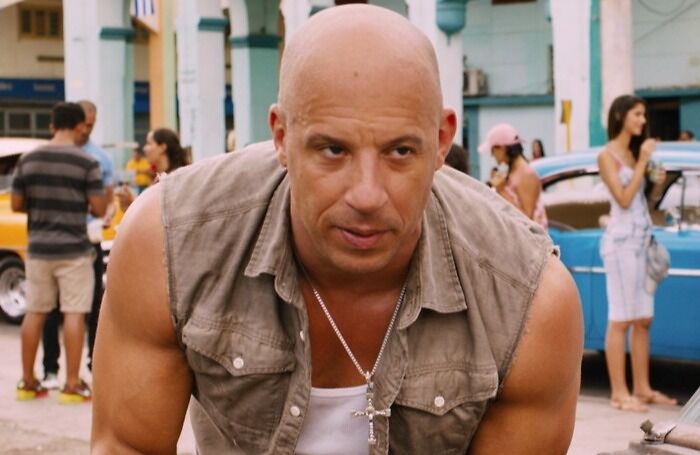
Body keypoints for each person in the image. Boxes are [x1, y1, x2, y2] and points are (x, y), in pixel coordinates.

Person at [92, 5, 582, 453]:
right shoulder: (172, 240)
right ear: (281, 137)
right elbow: (127, 446)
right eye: (333, 150)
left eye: (400, 151)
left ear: (440, 141)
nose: (366, 195)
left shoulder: (525, 298)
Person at [11, 102, 106, 403]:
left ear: (52, 125)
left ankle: (28, 382)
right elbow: (99, 209)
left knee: (35, 312)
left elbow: (16, 204)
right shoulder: (87, 162)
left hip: (38, 249)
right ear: (79, 126)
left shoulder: (28, 159)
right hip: (74, 250)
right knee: (74, 313)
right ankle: (71, 385)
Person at [598, 94, 676, 412]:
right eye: (638, 114)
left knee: (643, 318)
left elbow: (646, 200)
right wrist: (643, 161)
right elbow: (623, 199)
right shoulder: (607, 156)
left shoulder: (634, 153)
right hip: (620, 244)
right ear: (621, 116)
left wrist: (656, 181)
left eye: (644, 115)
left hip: (643, 240)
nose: (643, 121)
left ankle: (642, 388)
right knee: (621, 318)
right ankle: (619, 393)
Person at [40, 100, 115, 389]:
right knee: (52, 309)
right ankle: (51, 370)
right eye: (83, 124)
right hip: (61, 239)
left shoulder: (100, 158)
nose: (86, 130)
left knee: (92, 306)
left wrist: (103, 219)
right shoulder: (57, 157)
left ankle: (93, 366)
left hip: (87, 240)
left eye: (91, 125)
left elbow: (106, 203)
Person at [480, 123, 548, 229]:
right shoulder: (514, 170)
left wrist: (502, 190)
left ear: (502, 148)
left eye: (493, 150)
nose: (492, 155)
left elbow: (527, 219)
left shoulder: (526, 173)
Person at [116, 127, 187, 211]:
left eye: (148, 143)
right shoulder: (161, 179)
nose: (144, 148)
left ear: (162, 147)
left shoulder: (174, 181)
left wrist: (132, 205)